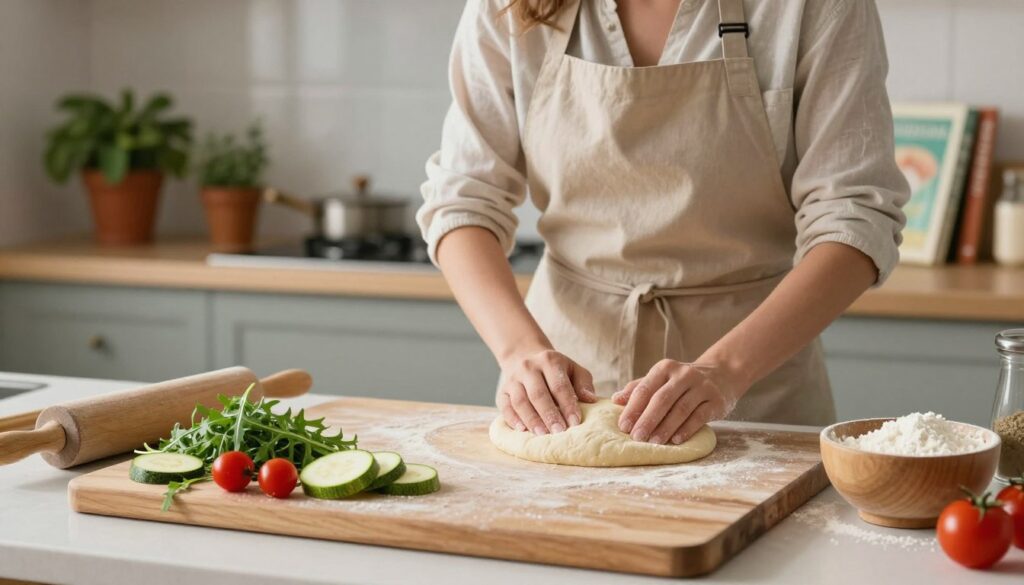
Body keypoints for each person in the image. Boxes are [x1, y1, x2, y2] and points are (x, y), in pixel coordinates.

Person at [417, 0, 909, 445]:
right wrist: (518, 350)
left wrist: (725, 371)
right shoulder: (510, 6)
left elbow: (855, 214)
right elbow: (464, 199)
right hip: (563, 399)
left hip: (757, 390)